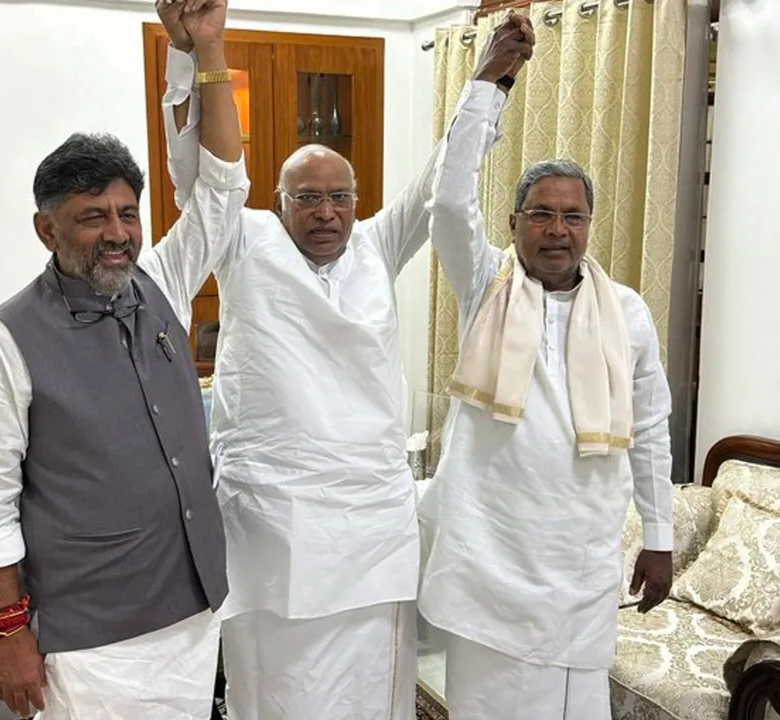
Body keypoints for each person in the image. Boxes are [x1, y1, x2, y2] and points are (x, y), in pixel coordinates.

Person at [151, 4, 533, 719]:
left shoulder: (377, 244)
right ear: (278, 201)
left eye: (338, 198)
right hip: (272, 519)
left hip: (369, 521)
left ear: (357, 203)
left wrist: (489, 80)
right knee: (277, 688)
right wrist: (192, 52)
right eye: (308, 199)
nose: (325, 213)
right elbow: (194, 172)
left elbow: (440, 181)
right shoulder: (242, 241)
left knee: (371, 690)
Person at [0, 2, 247, 718]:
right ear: (46, 229)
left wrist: (203, 50)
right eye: (93, 217)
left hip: (192, 608)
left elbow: (223, 190)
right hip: (91, 641)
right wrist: (8, 633)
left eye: (127, 213)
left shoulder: (165, 286)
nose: (117, 234)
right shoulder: (3, 340)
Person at [417, 13, 675, 719]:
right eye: (540, 213)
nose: (557, 230)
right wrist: (490, 83)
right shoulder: (483, 288)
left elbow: (650, 428)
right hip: (492, 558)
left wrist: (659, 536)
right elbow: (446, 199)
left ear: (590, 225)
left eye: (572, 216)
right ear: (513, 223)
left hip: (582, 560)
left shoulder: (627, 312)